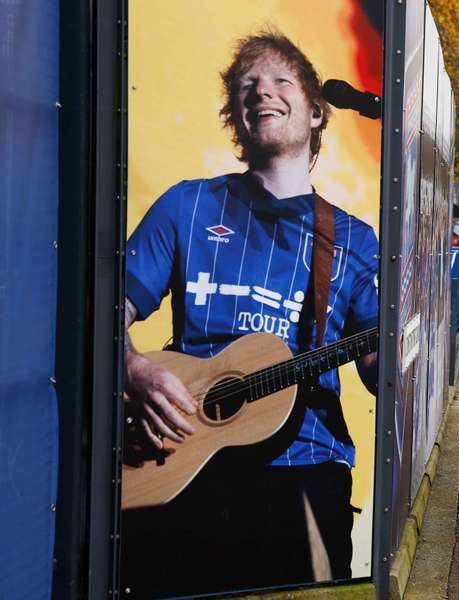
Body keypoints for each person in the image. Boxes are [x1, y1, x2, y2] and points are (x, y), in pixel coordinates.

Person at [121, 29, 378, 596]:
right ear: (234, 115)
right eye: (248, 85)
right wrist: (133, 369)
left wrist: (403, 347)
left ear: (315, 112)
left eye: (282, 80)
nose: (263, 90)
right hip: (179, 460)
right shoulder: (186, 206)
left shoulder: (355, 241)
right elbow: (102, 311)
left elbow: (381, 374)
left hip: (306, 471)